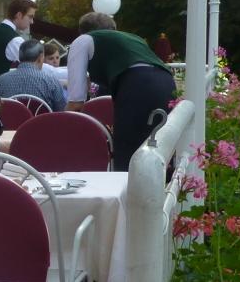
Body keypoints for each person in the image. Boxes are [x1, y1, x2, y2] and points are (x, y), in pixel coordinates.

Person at [66, 12, 176, 171]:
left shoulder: (83, 40)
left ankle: (126, 186)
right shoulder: (133, 39)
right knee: (159, 144)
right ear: (114, 29)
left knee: (127, 153)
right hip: (166, 82)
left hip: (136, 84)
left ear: (82, 31)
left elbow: (76, 102)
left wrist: (62, 128)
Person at [0, 38, 67, 111]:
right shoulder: (51, 81)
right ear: (40, 57)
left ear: (20, 57)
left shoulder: (0, 81)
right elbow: (61, 110)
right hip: (40, 122)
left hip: (9, 122)